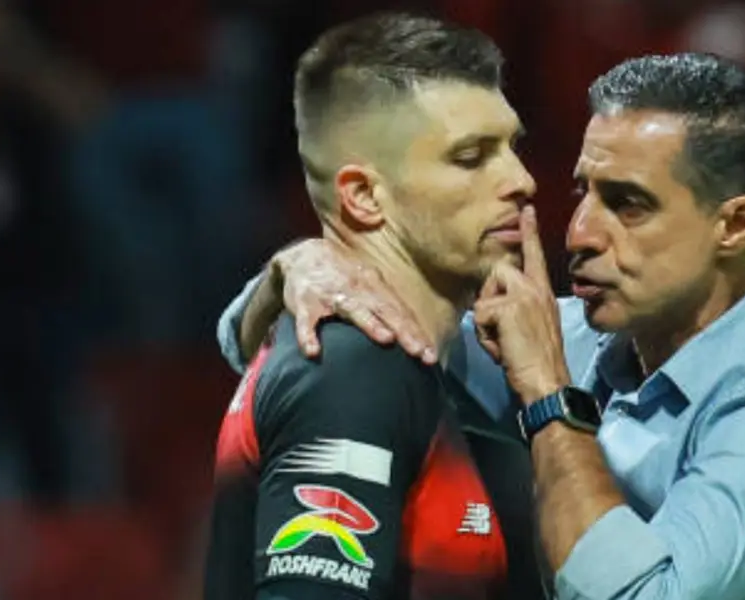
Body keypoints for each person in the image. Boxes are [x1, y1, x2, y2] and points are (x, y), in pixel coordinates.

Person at [220, 53, 745, 598]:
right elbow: (297, 343)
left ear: (734, 225)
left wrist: (546, 394)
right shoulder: (570, 336)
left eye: (628, 204)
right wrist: (298, 269)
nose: (579, 234)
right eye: (582, 192)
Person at [203, 13, 548, 600]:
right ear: (363, 196)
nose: (521, 180)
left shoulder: (434, 366)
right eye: (471, 157)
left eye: (513, 147)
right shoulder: (352, 368)